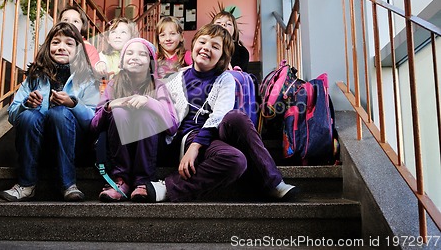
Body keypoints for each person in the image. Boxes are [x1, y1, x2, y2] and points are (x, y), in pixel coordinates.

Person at [145, 23, 297, 202]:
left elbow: (219, 114)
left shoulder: (225, 79)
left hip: (217, 133)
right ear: (193, 45)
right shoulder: (175, 79)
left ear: (223, 57)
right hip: (191, 136)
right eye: (202, 42)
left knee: (236, 117)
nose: (206, 48)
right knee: (237, 161)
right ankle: (170, 187)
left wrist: (196, 148)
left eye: (215, 46)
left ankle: (273, 182)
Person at [0, 22, 99, 202]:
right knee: (29, 115)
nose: (61, 47)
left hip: (73, 148)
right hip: (38, 147)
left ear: (78, 50)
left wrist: (73, 104)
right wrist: (27, 104)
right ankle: (26, 184)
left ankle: (68, 184)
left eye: (69, 43)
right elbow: (13, 114)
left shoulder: (87, 78)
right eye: (56, 42)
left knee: (59, 113)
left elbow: (93, 122)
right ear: (48, 47)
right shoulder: (35, 76)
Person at [90, 38, 178, 202]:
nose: (135, 57)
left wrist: (150, 102)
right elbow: (94, 125)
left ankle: (143, 181)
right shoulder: (113, 85)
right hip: (117, 148)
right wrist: (109, 106)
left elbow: (172, 126)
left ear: (151, 62)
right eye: (129, 53)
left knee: (145, 114)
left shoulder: (159, 86)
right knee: (119, 112)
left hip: (150, 147)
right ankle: (120, 180)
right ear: (122, 61)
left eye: (142, 54)